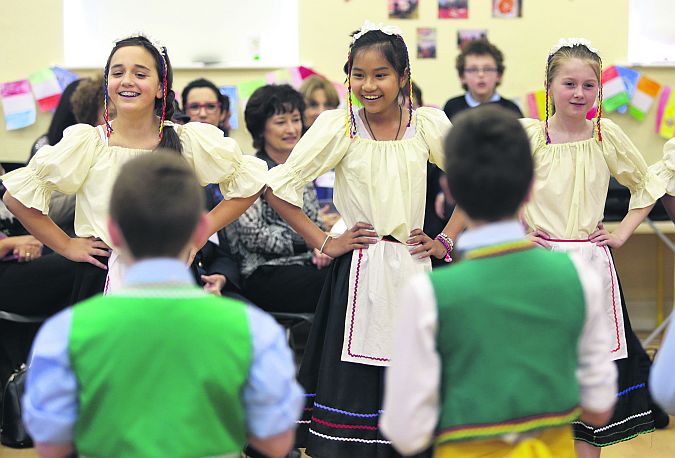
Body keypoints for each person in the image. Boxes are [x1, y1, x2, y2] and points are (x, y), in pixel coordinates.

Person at [446, 38, 667, 457]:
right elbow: (492, 189)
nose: (579, 94)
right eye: (569, 84)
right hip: (534, 269)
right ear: (548, 86)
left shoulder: (606, 135)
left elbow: (646, 186)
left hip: (589, 267)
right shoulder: (528, 135)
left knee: (587, 384)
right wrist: (516, 234)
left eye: (588, 85)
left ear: (599, 90)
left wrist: (620, 233)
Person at [22, 154, 303, 458]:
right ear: (199, 231)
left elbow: (51, 445)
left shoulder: (64, 333)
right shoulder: (254, 331)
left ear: (113, 232)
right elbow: (275, 443)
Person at [381, 105, 617, 457]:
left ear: (451, 189)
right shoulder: (579, 278)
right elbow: (599, 407)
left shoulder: (429, 293)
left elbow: (406, 431)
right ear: (530, 189)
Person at [264, 21, 453, 458]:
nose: (368, 86)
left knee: (412, 385)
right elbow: (278, 187)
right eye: (358, 75)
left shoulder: (427, 125)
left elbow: (478, 180)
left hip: (413, 268)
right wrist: (324, 241)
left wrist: (445, 239)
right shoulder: (340, 127)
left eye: (381, 74)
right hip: (359, 275)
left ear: (404, 77)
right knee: (356, 396)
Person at [1, 35, 267, 300]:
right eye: (118, 73)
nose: (127, 80)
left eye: (140, 73)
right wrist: (67, 245)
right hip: (102, 276)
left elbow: (249, 183)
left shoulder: (188, 140)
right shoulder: (88, 142)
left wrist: (200, 234)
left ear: (161, 88)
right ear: (108, 85)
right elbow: (16, 198)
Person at [229, 84, 331, 313]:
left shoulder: (301, 171)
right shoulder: (251, 171)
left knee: (351, 275)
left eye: (295, 120)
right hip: (263, 272)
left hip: (306, 266)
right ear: (261, 129)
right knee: (335, 287)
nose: (291, 129)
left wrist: (321, 248)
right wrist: (309, 242)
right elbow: (252, 234)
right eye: (280, 122)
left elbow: (317, 224)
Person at [442, 39, 523, 122]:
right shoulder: (451, 107)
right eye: (473, 69)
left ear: (499, 75)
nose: (481, 75)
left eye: (487, 69)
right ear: (462, 76)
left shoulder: (511, 110)